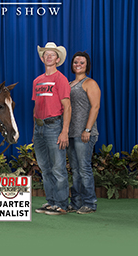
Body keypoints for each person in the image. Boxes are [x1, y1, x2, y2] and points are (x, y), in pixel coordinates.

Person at [32, 42, 71, 216]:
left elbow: (67, 107)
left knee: (58, 167)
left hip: (54, 126)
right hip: (39, 128)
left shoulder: (60, 79)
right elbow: (36, 106)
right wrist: (35, 130)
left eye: (52, 54)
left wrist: (64, 131)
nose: (48, 56)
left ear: (57, 59)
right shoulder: (37, 81)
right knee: (45, 168)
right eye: (46, 54)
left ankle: (62, 204)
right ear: (42, 58)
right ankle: (51, 201)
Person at [67, 51, 100, 214]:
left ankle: (90, 203)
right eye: (75, 62)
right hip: (71, 133)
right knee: (75, 169)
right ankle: (76, 202)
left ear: (87, 65)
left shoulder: (90, 83)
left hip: (85, 133)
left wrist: (87, 129)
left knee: (84, 168)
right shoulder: (69, 83)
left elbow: (95, 107)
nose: (78, 65)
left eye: (81, 62)